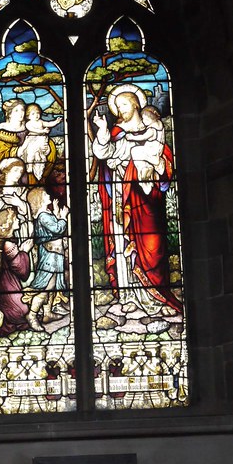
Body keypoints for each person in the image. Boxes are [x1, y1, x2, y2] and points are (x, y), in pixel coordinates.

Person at [91, 85, 181, 317]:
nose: (120, 109)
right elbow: (103, 153)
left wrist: (157, 166)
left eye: (124, 104)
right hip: (122, 196)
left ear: (135, 104)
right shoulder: (118, 133)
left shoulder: (153, 131)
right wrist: (103, 131)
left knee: (152, 244)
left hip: (147, 198)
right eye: (118, 106)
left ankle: (156, 296)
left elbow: (166, 165)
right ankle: (129, 295)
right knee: (123, 245)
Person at [23, 186, 69, 331]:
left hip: (55, 255)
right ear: (39, 200)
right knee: (46, 288)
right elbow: (57, 229)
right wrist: (63, 217)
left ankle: (47, 313)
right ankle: (32, 315)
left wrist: (56, 212)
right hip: (50, 256)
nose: (48, 195)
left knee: (52, 286)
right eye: (45, 194)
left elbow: (54, 228)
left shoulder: (46, 214)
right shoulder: (42, 216)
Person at [0, 205, 33, 335]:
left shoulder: (0, 241)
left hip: (0, 288)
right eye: (16, 218)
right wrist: (24, 252)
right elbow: (21, 270)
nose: (19, 220)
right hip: (8, 288)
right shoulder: (8, 244)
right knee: (22, 311)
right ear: (9, 224)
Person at [0, 157, 32, 269]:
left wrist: (20, 204)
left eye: (20, 171)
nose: (18, 174)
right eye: (15, 170)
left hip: (19, 236)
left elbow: (30, 216)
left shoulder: (23, 192)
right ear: (6, 171)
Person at [17, 103, 58, 183]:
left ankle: (39, 156)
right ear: (28, 116)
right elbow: (33, 130)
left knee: (42, 149)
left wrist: (56, 122)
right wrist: (42, 131)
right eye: (33, 114)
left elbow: (49, 124)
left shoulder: (41, 122)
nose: (36, 115)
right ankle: (30, 165)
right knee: (31, 150)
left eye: (38, 113)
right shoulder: (28, 124)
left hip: (41, 138)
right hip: (32, 138)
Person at [0, 98, 26, 174]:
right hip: (11, 172)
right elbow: (1, 156)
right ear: (9, 114)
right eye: (16, 110)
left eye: (22, 110)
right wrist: (19, 151)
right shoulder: (2, 132)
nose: (21, 113)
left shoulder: (28, 128)